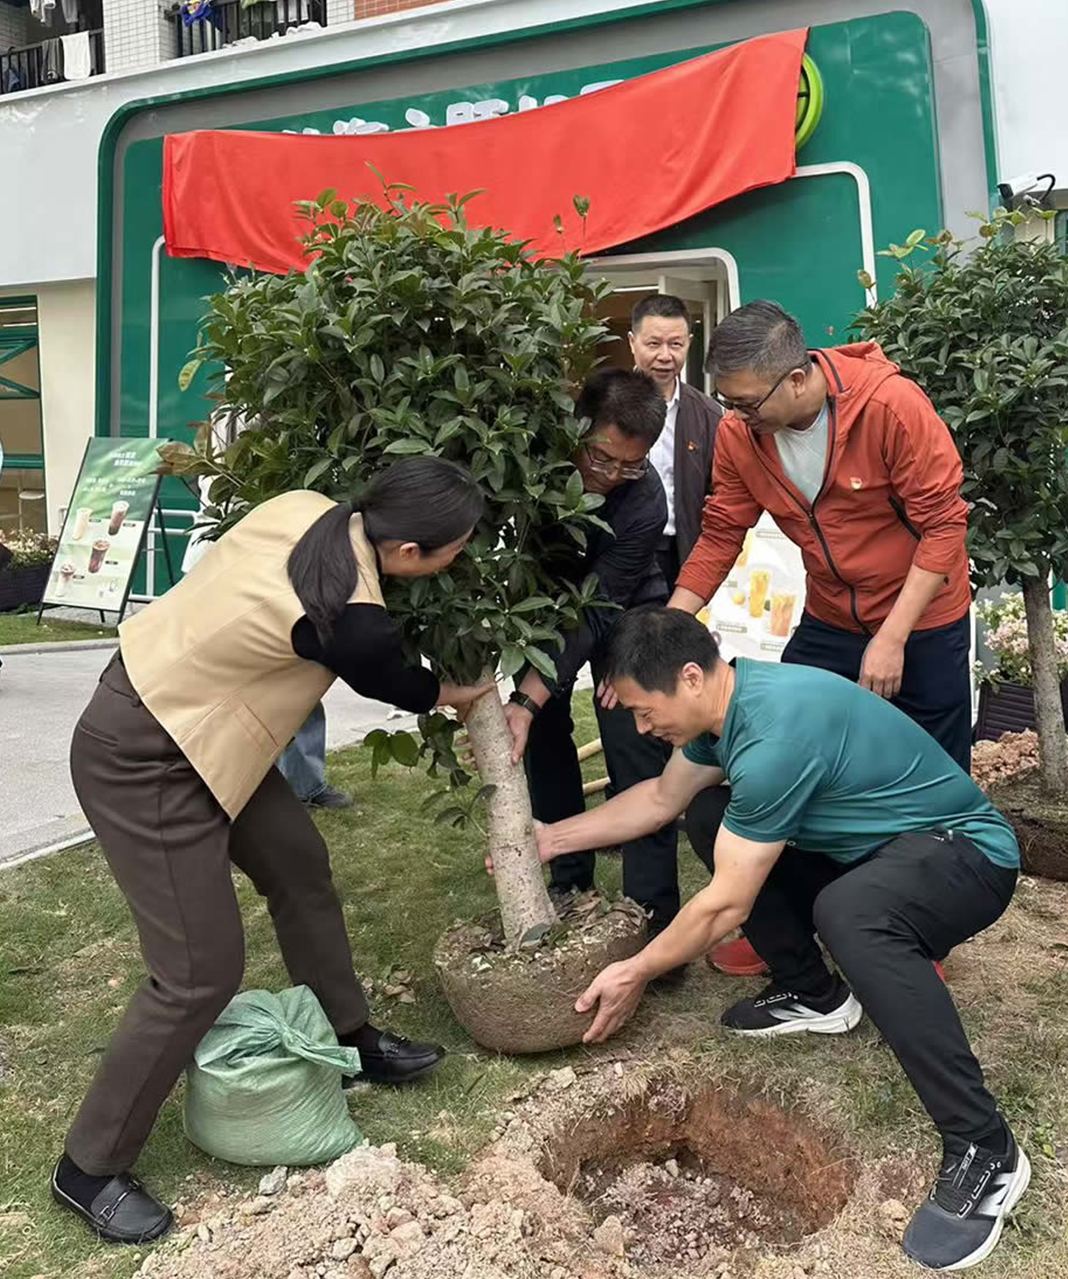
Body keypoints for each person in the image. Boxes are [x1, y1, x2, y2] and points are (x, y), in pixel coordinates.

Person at [53, 457, 491, 1245]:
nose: (461, 558)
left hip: (212, 730)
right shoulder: (353, 618)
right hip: (145, 754)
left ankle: (347, 1035)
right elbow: (397, 681)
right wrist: (454, 694)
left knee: (298, 862)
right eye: (456, 548)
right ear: (407, 551)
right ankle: (87, 1167)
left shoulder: (306, 504)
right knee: (197, 971)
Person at [534, 607, 1027, 1274]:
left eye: (646, 712)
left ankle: (986, 1148)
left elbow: (726, 903)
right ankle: (813, 993)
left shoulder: (773, 736)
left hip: (967, 856)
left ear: (690, 677)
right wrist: (551, 838)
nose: (643, 729)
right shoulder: (727, 711)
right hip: (879, 851)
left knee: (850, 914)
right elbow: (658, 799)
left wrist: (637, 968)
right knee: (707, 812)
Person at [666, 300, 973, 978]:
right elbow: (722, 530)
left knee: (932, 781)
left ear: (798, 378)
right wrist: (673, 621)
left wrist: (893, 637)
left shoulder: (890, 407)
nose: (736, 417)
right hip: (831, 619)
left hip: (924, 620)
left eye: (747, 403)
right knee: (783, 755)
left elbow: (944, 527)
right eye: (728, 403)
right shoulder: (742, 434)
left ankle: (921, 939)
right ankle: (783, 919)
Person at [504, 368, 685, 964]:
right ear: (578, 429)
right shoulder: (532, 460)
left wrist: (617, 664)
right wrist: (530, 702)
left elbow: (597, 608)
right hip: (543, 605)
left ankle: (653, 918)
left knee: (636, 742)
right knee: (541, 737)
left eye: (629, 465)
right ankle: (569, 881)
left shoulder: (646, 499)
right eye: (600, 458)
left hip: (623, 608)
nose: (609, 476)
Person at [628, 294, 721, 587]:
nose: (665, 356)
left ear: (689, 343)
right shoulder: (606, 407)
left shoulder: (709, 415)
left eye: (676, 344)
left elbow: (719, 493)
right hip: (620, 549)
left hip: (680, 554)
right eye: (653, 344)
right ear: (632, 342)